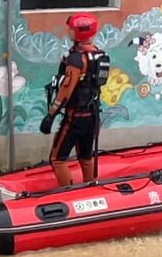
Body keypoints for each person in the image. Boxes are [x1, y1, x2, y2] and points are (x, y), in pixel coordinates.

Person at [40, 13, 111, 187]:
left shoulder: (76, 59)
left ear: (78, 32)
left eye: (71, 29)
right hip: (93, 115)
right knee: (86, 157)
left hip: (76, 117)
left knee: (57, 159)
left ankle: (68, 193)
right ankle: (91, 189)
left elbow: (66, 89)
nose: (68, 31)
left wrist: (50, 115)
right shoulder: (99, 54)